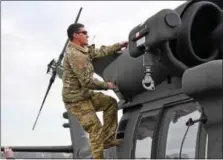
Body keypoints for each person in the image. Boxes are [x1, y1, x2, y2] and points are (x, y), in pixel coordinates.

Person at [62, 23, 128, 159]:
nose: (87, 35)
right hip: (76, 101)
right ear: (75, 35)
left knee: (110, 103)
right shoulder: (76, 55)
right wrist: (107, 85)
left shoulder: (82, 49)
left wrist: (119, 45)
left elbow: (99, 52)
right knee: (95, 128)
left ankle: (108, 139)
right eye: (84, 33)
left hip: (85, 94)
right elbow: (87, 81)